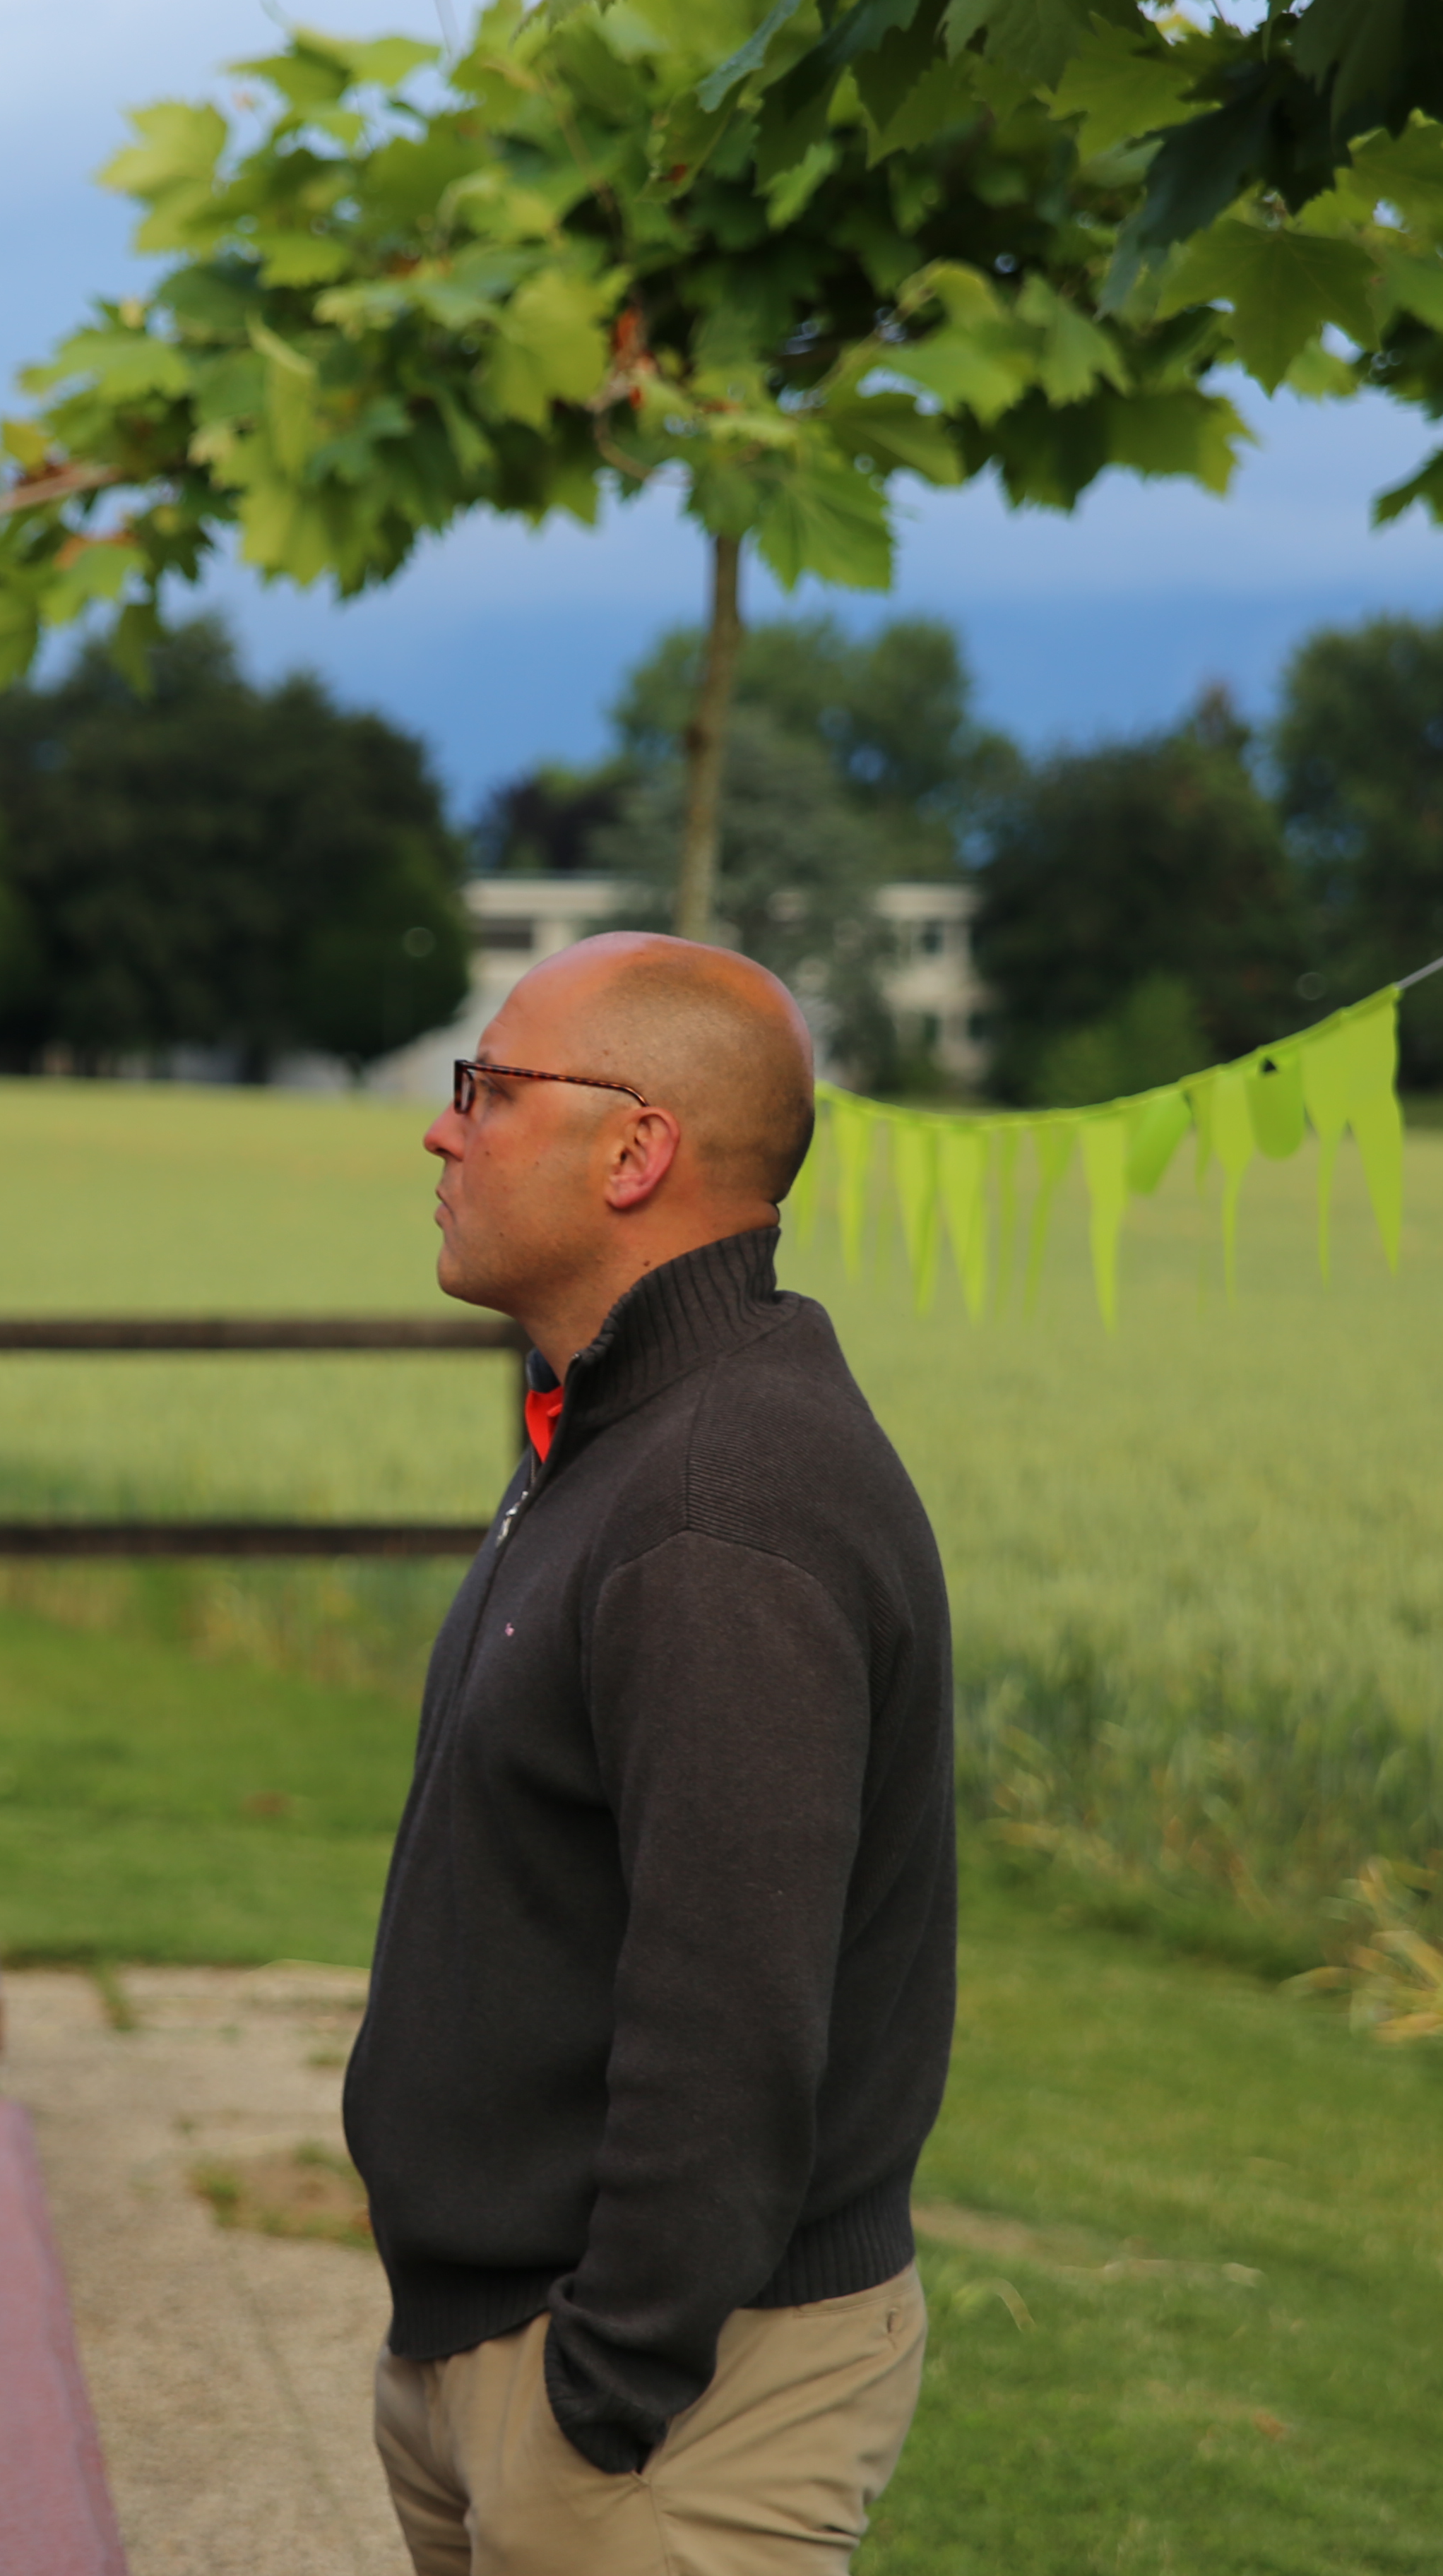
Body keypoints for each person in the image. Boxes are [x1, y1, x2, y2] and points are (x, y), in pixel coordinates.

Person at [344, 932, 957, 2576]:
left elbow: (733, 2012)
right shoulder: (616, 1427)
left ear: (635, 1152)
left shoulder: (719, 1507)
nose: (442, 1128)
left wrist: (604, 2387)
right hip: (518, 2355)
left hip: (658, 2411)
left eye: (488, 1089)